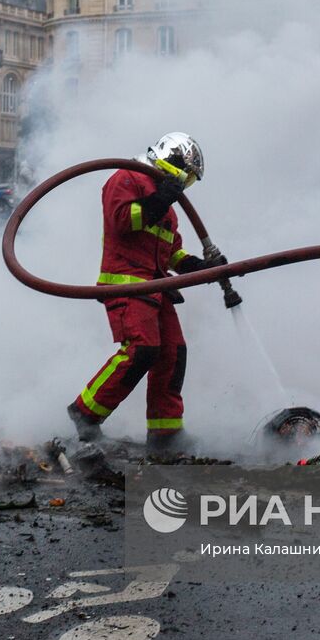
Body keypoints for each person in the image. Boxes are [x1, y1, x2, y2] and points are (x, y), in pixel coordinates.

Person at [67, 132, 225, 455]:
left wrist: (205, 268)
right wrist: (158, 200)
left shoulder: (168, 209)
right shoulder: (127, 178)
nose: (187, 184)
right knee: (142, 349)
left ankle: (166, 433)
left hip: (156, 289)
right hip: (126, 284)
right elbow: (123, 220)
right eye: (189, 176)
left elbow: (173, 256)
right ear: (174, 161)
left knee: (173, 351)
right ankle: (85, 413)